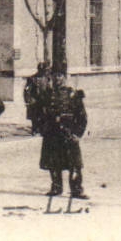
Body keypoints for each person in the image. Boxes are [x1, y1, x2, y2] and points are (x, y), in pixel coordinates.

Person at [38, 64, 89, 199]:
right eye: (54, 76)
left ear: (65, 77)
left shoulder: (72, 94)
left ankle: (76, 189)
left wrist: (78, 134)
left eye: (60, 76)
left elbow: (82, 116)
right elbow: (39, 114)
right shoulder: (46, 95)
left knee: (74, 163)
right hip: (52, 133)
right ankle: (56, 187)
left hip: (69, 132)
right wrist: (43, 128)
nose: (57, 79)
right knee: (54, 162)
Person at [23, 61, 50, 135]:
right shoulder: (32, 78)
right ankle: (35, 129)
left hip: (43, 99)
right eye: (41, 70)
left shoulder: (47, 79)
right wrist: (28, 100)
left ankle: (42, 129)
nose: (42, 72)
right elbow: (27, 90)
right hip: (34, 99)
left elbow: (48, 89)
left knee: (44, 114)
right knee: (34, 115)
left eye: (43, 70)